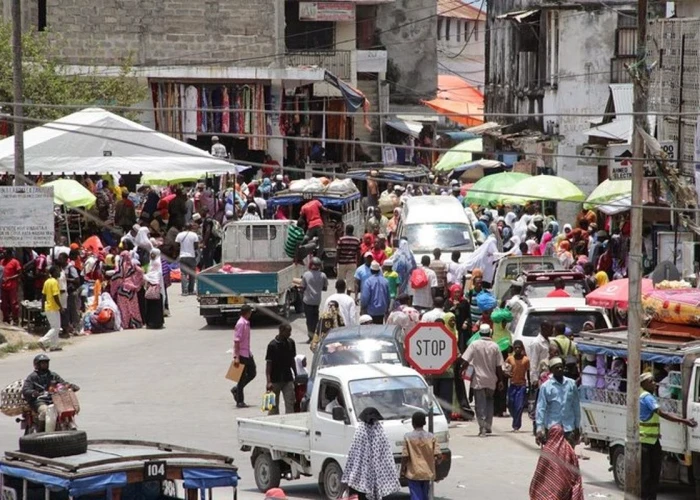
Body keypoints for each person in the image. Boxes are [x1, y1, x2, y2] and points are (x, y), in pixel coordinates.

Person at [639, 371, 697, 499]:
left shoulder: (647, 396)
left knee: (652, 475)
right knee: (648, 476)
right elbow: (662, 413)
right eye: (651, 382)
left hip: (652, 441)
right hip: (646, 443)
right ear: (643, 384)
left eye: (654, 381)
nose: (654, 384)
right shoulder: (646, 397)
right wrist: (684, 421)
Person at [342, 407, 401, 500]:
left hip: (360, 476)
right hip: (373, 475)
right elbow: (387, 455)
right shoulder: (379, 431)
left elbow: (352, 455)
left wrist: (349, 476)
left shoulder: (361, 431)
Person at [462, 323, 503, 436]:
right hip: (491, 380)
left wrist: (462, 370)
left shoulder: (474, 345)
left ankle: (482, 428)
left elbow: (465, 360)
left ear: (479, 333)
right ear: (490, 333)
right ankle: (488, 426)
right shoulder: (495, 346)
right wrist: (500, 380)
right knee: (489, 402)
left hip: (478, 380)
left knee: (480, 405)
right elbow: (499, 366)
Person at [21, 354, 79, 432]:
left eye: (46, 363)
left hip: (53, 398)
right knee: (45, 411)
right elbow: (26, 389)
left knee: (64, 408)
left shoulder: (53, 375)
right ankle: (40, 431)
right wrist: (34, 392)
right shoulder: (32, 377)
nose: (45, 364)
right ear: (37, 365)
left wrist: (71, 386)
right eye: (42, 363)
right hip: (39, 400)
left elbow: (63, 383)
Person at [528, 423, 584, 500]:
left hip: (548, 489)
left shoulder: (547, 450)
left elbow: (540, 471)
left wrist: (534, 486)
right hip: (565, 486)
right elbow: (575, 468)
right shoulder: (569, 449)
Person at [535, 357, 581, 448]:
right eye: (556, 367)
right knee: (553, 458)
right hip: (552, 428)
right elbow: (541, 407)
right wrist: (539, 428)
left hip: (569, 428)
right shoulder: (546, 387)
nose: (560, 369)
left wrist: (577, 426)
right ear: (551, 370)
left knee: (568, 458)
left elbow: (576, 406)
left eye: (561, 367)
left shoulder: (571, 384)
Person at [400, 411, 442, 500]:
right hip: (427, 472)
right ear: (425, 423)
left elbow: (405, 456)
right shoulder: (431, 437)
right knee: (425, 495)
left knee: (416, 495)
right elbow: (439, 455)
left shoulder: (408, 437)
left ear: (412, 423)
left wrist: (402, 469)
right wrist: (436, 465)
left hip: (413, 472)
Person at [265, 323, 296, 415]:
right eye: (288, 332)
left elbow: (292, 361)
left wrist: (296, 375)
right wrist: (268, 381)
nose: (290, 334)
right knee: (272, 408)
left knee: (290, 404)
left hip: (288, 379)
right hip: (274, 381)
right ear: (281, 331)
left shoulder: (291, 343)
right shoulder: (272, 345)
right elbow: (268, 364)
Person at [109, 251, 144, 329]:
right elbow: (141, 273)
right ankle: (135, 323)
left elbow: (116, 278)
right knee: (133, 307)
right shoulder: (133, 266)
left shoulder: (120, 267)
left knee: (124, 308)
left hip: (122, 290)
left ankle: (126, 324)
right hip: (132, 289)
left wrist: (113, 291)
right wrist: (137, 284)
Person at [232, 304, 255, 408]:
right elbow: (236, 341)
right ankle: (240, 401)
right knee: (241, 378)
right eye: (250, 312)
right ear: (247, 313)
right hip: (241, 354)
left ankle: (236, 389)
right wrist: (236, 357)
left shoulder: (246, 323)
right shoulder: (241, 324)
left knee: (252, 373)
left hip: (247, 352)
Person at [300, 257, 328, 340]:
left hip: (307, 301)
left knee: (309, 319)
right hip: (317, 301)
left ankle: (310, 336)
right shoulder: (323, 275)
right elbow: (325, 288)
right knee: (315, 319)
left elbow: (302, 287)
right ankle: (316, 336)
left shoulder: (306, 274)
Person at [505, 340, 530, 432]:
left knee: (519, 406)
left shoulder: (526, 360)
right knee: (511, 404)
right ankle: (514, 417)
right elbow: (506, 370)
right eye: (516, 348)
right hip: (512, 385)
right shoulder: (510, 359)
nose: (518, 349)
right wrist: (506, 375)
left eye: (519, 347)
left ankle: (516, 425)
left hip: (522, 386)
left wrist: (530, 387)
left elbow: (528, 373)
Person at [38, 266, 63, 352]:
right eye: (58, 271)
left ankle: (54, 345)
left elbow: (43, 296)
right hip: (53, 307)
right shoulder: (54, 282)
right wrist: (60, 306)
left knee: (55, 326)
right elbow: (55, 296)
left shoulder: (47, 282)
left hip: (48, 307)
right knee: (56, 328)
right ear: (54, 272)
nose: (59, 272)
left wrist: (42, 307)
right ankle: (43, 340)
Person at [143, 249, 165, 329]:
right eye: (151, 254)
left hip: (155, 287)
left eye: (153, 254)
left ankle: (154, 323)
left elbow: (159, 276)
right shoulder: (150, 264)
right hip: (153, 287)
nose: (152, 256)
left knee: (153, 306)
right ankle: (153, 323)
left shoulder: (158, 264)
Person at [175, 223, 199, 296]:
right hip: (191, 256)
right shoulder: (194, 235)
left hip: (182, 256)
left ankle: (184, 291)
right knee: (192, 274)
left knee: (183, 274)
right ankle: (191, 290)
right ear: (191, 227)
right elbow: (196, 247)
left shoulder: (179, 235)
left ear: (184, 227)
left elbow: (176, 245)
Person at [336, 224, 361, 293]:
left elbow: (338, 252)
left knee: (340, 280)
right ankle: (348, 296)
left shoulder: (341, 239)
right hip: (352, 263)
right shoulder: (357, 240)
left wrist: (336, 263)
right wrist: (358, 263)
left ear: (346, 230)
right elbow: (358, 253)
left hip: (342, 262)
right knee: (350, 281)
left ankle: (340, 294)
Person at [1, 248, 21, 325]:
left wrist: (9, 278)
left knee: (13, 304)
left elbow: (19, 273)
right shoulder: (2, 262)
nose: (3, 254)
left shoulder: (15, 262)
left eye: (5, 253)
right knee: (3, 304)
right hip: (3, 286)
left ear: (9, 254)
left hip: (12, 286)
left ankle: (15, 319)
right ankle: (6, 318)